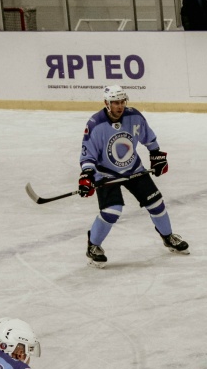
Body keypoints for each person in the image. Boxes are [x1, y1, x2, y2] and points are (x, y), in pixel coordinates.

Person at [79, 85, 189, 266]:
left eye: (122, 101)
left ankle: (168, 237)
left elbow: (148, 137)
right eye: (115, 102)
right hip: (105, 173)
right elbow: (87, 154)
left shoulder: (134, 116)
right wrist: (87, 176)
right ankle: (93, 245)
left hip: (134, 168)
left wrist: (156, 155)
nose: (120, 106)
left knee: (156, 202)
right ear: (107, 103)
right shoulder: (95, 124)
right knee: (111, 211)